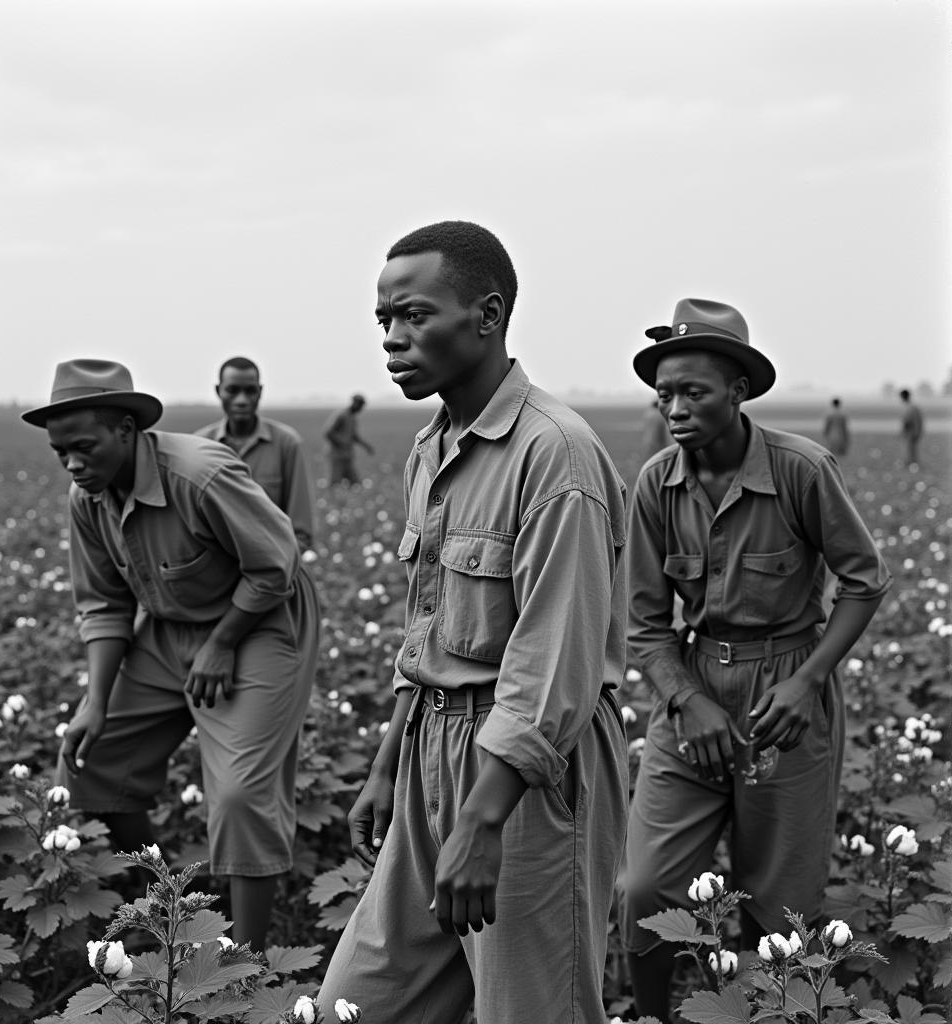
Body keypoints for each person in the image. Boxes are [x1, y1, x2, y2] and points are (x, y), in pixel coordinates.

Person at [317, 221, 629, 1023]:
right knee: (357, 1004)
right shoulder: (433, 447)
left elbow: (553, 668)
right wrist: (390, 759)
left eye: (416, 315)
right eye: (383, 319)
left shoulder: (554, 453)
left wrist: (483, 819)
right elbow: (429, 632)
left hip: (523, 777)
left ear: (486, 316)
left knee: (532, 1010)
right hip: (431, 750)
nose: (393, 338)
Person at [616, 298, 891, 1022]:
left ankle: (764, 1010)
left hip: (786, 697)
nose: (674, 407)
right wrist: (686, 699)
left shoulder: (801, 469)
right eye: (664, 393)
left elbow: (865, 581)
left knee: (779, 905)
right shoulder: (655, 484)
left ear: (737, 391)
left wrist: (809, 680)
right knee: (645, 886)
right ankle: (650, 1016)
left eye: (692, 392)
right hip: (693, 691)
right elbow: (642, 624)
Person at [22, 359, 320, 953]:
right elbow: (105, 606)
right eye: (61, 454)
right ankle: (163, 908)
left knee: (238, 795)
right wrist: (96, 702)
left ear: (127, 430)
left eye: (83, 447)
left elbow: (276, 566)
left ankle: (242, 963)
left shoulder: (198, 475)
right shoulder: (88, 497)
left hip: (257, 618)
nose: (73, 464)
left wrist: (222, 643)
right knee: (87, 758)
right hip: (165, 626)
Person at [196, 356, 316, 550]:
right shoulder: (200, 445)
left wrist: (270, 571)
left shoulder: (286, 444)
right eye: (232, 390)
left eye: (250, 391)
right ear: (218, 391)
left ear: (260, 392)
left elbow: (301, 532)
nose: (242, 400)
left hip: (275, 566)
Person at [323, 394, 374, 484]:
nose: (360, 408)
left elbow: (354, 436)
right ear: (354, 403)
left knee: (355, 482)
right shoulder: (341, 415)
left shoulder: (352, 418)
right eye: (360, 405)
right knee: (335, 483)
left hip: (347, 456)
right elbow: (328, 432)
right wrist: (341, 443)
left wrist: (366, 446)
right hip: (336, 456)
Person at [898, 388, 924, 468]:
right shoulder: (912, 407)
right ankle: (910, 464)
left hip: (911, 433)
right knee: (910, 450)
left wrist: (916, 432)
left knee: (910, 450)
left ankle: (912, 464)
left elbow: (910, 421)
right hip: (911, 432)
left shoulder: (910, 407)